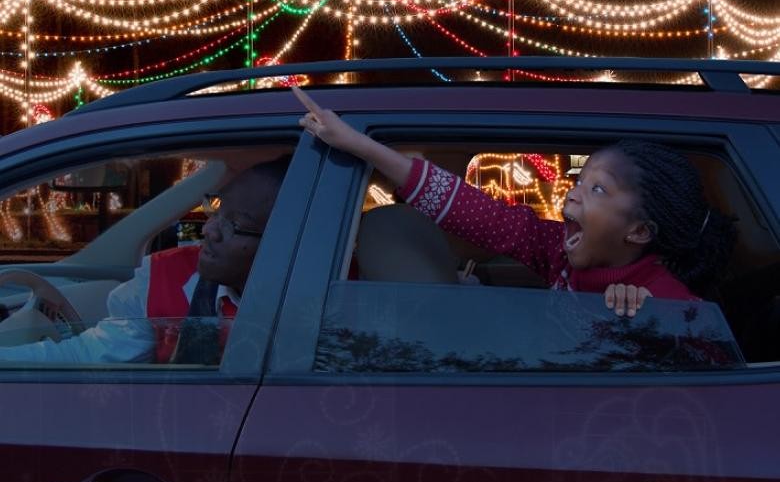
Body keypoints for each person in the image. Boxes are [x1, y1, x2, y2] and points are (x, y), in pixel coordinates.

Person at [292, 86, 735, 317]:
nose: (574, 190)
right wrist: (361, 146)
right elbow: (473, 211)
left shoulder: (665, 302)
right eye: (581, 180)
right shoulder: (557, 251)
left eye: (598, 189)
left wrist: (647, 326)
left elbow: (705, 384)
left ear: (638, 231)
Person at [0, 158, 289, 363]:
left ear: (285, 241)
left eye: (235, 223)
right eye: (216, 210)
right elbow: (91, 353)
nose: (209, 230)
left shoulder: (316, 305)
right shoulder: (164, 276)